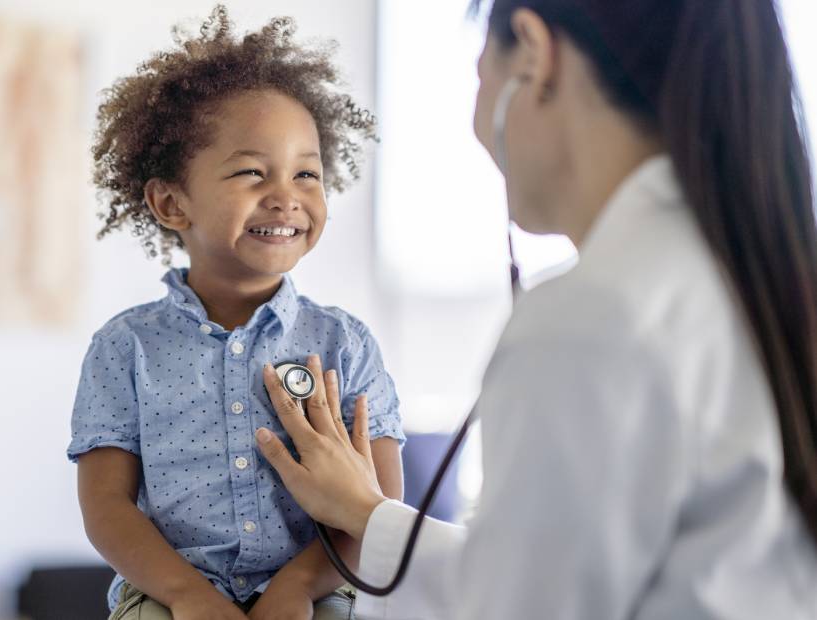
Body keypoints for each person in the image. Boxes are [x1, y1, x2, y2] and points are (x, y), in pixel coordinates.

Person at [253, 1, 817, 618]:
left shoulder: (593, 317)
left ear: (532, 53)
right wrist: (368, 514)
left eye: (478, 76)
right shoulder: (750, 273)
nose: (476, 125)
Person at [66, 6, 405, 619]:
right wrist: (186, 595)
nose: (287, 195)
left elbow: (380, 502)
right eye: (252, 171)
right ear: (171, 202)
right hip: (169, 593)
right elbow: (107, 508)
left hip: (321, 585)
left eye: (307, 172)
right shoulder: (125, 347)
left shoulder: (345, 343)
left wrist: (299, 587)